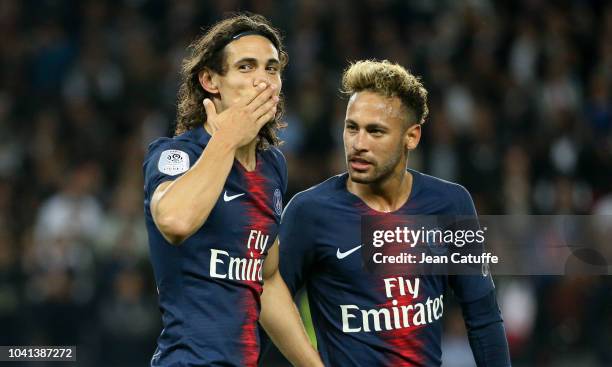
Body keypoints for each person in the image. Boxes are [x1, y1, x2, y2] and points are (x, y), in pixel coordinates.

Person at [279, 60, 511, 366]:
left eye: (375, 131)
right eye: (352, 128)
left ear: (411, 137)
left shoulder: (451, 205)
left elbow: (483, 317)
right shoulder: (309, 213)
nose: (358, 144)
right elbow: (268, 308)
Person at [143, 14, 322, 367]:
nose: (262, 81)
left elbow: (266, 280)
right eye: (245, 67)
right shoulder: (175, 155)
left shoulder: (272, 167)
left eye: (272, 69)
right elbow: (176, 221)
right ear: (210, 81)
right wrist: (226, 138)